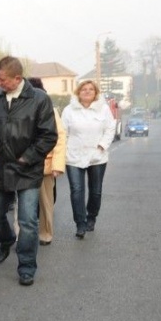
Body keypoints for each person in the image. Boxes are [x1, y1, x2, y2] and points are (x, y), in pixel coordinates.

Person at [0, 56, 57, 287]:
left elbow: (48, 135)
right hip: (0, 168)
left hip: (27, 171)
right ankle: (6, 239)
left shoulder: (39, 99)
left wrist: (27, 158)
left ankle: (27, 267)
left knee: (28, 221)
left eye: (2, 79)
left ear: (18, 78)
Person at [61, 79, 116, 238]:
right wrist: (62, 153)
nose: (87, 91)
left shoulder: (103, 109)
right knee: (76, 191)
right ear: (78, 92)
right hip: (74, 156)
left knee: (96, 191)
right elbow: (63, 133)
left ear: (96, 93)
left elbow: (110, 128)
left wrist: (102, 145)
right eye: (84, 89)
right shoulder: (69, 110)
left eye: (91, 89)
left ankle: (91, 217)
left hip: (97, 156)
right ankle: (80, 223)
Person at [27, 78, 67, 246]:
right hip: (22, 164)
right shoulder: (16, 108)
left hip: (45, 164)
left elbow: (59, 137)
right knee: (22, 203)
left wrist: (57, 165)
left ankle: (45, 233)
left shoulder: (50, 109)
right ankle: (22, 235)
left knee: (45, 202)